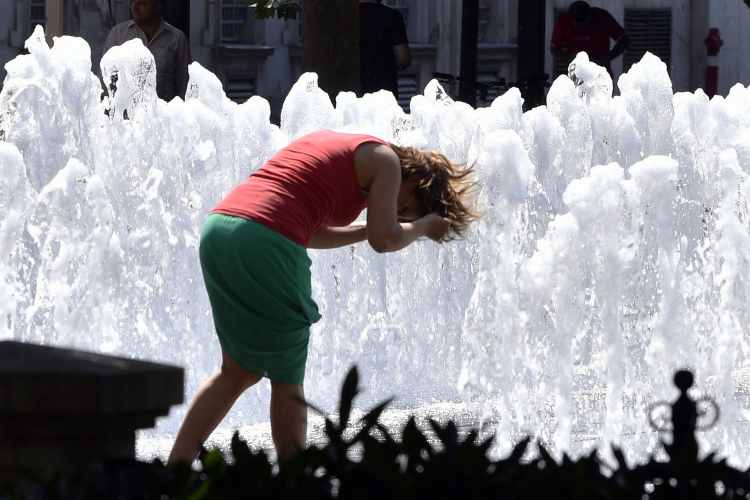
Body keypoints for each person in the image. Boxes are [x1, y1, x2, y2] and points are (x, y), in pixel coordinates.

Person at [167, 129, 478, 464]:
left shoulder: (342, 147)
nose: (398, 212)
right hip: (267, 239)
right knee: (286, 376)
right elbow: (384, 240)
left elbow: (312, 233)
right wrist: (425, 226)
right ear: (417, 180)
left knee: (238, 371)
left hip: (221, 230)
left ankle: (174, 471)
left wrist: (373, 226)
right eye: (404, 207)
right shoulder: (387, 161)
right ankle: (295, 485)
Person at [104, 0, 191, 101]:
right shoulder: (118, 34)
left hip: (163, 113)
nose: (134, 7)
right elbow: (105, 80)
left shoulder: (176, 38)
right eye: (133, 1)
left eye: (142, 2)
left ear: (158, 6)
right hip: (125, 114)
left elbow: (184, 86)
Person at [549, 1, 630, 78]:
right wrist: (569, 58)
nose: (582, 28)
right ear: (571, 19)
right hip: (576, 74)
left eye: (585, 24)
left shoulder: (602, 17)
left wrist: (606, 58)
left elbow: (624, 41)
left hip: (600, 73)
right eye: (578, 25)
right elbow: (554, 48)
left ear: (591, 16)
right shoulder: (564, 20)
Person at [359, 0, 412, 99]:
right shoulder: (393, 16)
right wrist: (387, 68)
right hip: (384, 90)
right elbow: (404, 60)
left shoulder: (346, 18)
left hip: (354, 91)